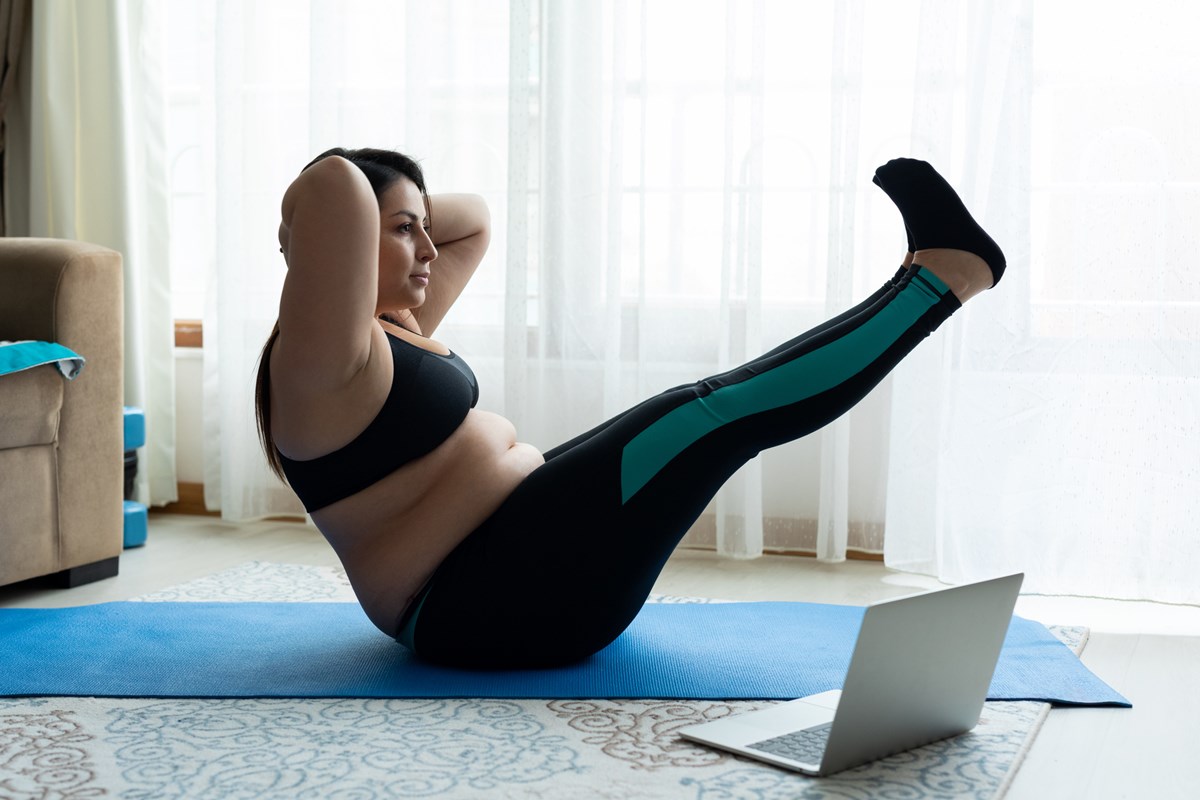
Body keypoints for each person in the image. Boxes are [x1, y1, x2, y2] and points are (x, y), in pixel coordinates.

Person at [257, 150, 1004, 669]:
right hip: (487, 604)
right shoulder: (323, 364)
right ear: (343, 246)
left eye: (422, 225)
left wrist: (402, 206)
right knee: (707, 414)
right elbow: (332, 187)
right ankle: (942, 278)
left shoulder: (396, 324)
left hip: (520, 567)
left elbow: (472, 220)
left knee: (698, 410)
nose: (427, 244)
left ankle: (928, 274)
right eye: (400, 229)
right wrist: (310, 232)